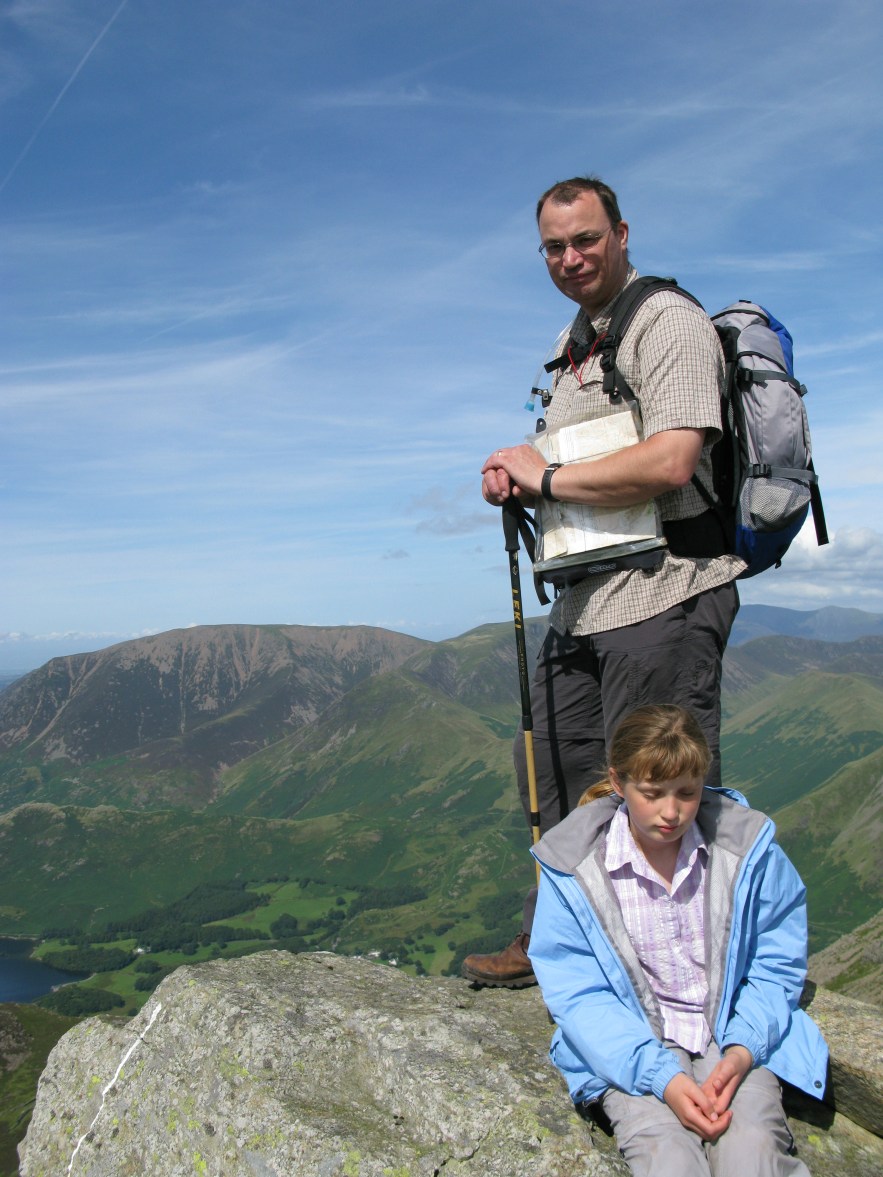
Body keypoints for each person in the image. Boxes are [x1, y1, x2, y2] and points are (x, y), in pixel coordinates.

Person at [462, 176, 744, 987]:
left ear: (621, 233)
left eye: (585, 239)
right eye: (553, 246)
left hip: (666, 593)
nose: (570, 257)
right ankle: (557, 940)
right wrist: (518, 478)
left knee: (657, 793)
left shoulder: (667, 324)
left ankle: (678, 972)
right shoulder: (575, 342)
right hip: (585, 604)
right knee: (554, 773)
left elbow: (670, 459)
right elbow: (578, 462)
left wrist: (544, 478)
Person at [528, 704, 827, 1177]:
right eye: (652, 793)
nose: (672, 812)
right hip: (631, 1045)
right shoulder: (576, 870)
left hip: (728, 1033)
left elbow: (776, 962)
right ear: (618, 782)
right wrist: (660, 1076)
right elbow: (578, 994)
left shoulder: (746, 851)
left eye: (687, 793)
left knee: (751, 1153)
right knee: (667, 1158)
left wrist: (743, 1049)